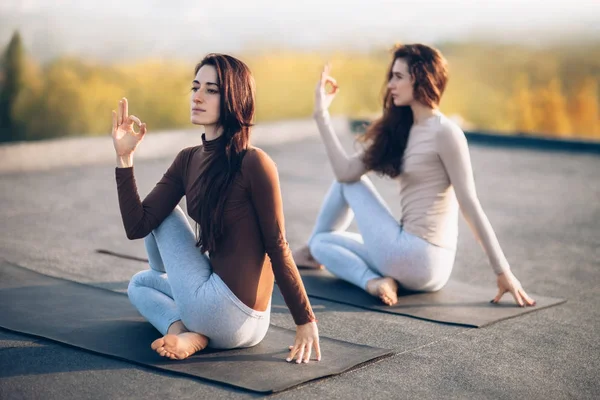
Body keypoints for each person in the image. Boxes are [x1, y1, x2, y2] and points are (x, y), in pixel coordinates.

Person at [111, 53, 320, 363]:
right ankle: (186, 331)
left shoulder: (252, 162)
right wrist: (124, 157)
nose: (198, 96)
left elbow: (278, 247)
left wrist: (306, 321)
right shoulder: (191, 158)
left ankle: (184, 326)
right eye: (196, 87)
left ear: (234, 98)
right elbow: (136, 226)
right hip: (254, 327)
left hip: (219, 308)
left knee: (165, 216)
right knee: (138, 284)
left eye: (211, 89)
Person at [294, 44, 536, 308]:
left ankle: (366, 279)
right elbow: (345, 171)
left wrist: (503, 271)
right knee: (322, 242)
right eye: (391, 77)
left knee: (346, 192)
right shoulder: (401, 129)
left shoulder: (445, 132)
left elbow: (470, 204)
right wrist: (321, 114)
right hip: (432, 270)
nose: (390, 85)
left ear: (420, 78)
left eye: (398, 77)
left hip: (414, 254)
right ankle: (342, 265)